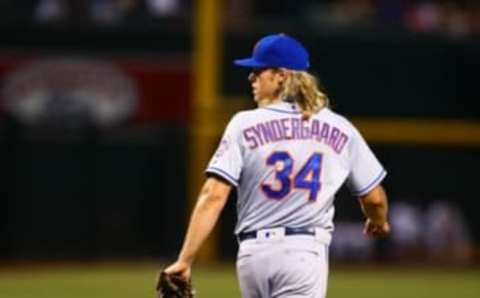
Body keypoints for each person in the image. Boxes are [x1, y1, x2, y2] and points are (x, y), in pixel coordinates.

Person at [163, 33, 390, 298]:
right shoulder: (339, 127)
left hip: (252, 257)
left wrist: (185, 260)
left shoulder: (243, 123)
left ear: (281, 75)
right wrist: (378, 221)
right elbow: (374, 198)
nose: (251, 77)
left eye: (258, 70)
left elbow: (213, 195)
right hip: (303, 254)